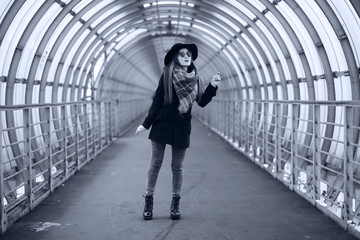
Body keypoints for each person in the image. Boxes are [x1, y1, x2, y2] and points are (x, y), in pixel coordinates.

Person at [135, 43, 221, 220]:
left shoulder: (195, 78)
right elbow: (157, 101)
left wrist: (212, 86)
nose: (186, 56)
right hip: (162, 124)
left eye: (188, 54)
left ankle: (175, 204)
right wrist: (146, 123)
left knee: (177, 167)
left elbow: (201, 102)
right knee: (156, 163)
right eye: (182, 54)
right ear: (175, 57)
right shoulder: (167, 75)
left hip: (181, 126)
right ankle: (149, 201)